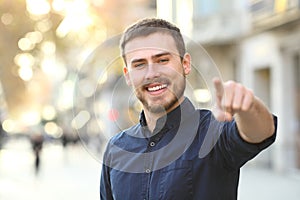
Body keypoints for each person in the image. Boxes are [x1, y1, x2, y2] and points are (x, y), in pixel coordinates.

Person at [100, 18, 277, 200]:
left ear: (185, 64)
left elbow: (261, 132)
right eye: (139, 64)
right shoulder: (116, 149)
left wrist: (248, 107)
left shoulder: (213, 132)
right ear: (128, 75)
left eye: (162, 60)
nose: (151, 73)